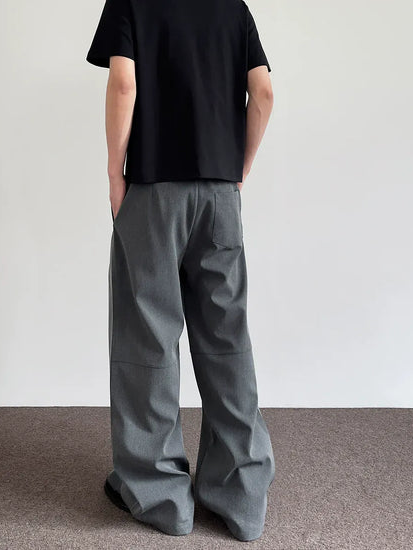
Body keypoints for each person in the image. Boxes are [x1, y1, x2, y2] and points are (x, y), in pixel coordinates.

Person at [86, 0, 275, 541]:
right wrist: (239, 168)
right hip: (219, 196)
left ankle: (161, 497)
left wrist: (114, 172)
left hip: (154, 191)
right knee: (226, 339)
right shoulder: (232, 7)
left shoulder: (132, 2)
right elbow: (263, 92)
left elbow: (124, 82)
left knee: (148, 336)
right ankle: (241, 497)